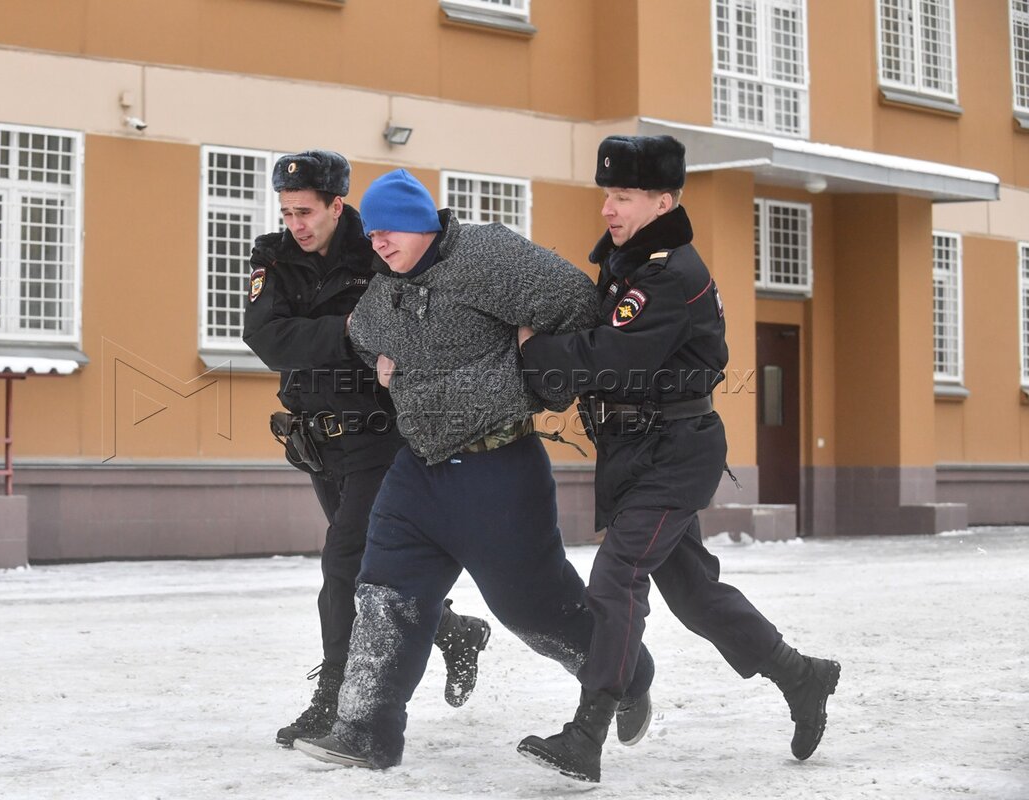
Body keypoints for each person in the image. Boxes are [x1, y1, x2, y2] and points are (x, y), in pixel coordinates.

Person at [291, 168, 655, 771]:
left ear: (422, 222)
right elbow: (361, 332)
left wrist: (532, 346)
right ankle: (366, 731)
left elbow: (578, 302)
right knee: (383, 593)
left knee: (532, 608)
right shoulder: (389, 287)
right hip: (419, 468)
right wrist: (382, 358)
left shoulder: (487, 254)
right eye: (373, 233)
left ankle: (627, 672)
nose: (379, 243)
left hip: (498, 467)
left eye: (390, 230)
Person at [515, 135, 841, 783]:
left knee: (616, 578)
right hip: (639, 451)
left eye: (625, 197)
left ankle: (587, 734)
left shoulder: (670, 273)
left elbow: (616, 357)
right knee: (696, 596)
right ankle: (803, 677)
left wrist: (534, 346)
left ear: (664, 200)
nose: (609, 208)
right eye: (607, 194)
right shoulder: (631, 266)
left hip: (674, 453)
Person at [242, 151, 491, 749]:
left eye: (305, 212)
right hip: (319, 440)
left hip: (380, 437)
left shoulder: (377, 250)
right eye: (287, 212)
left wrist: (360, 335)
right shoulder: (271, 256)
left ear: (336, 204)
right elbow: (267, 338)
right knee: (369, 572)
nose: (295, 224)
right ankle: (454, 630)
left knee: (344, 563)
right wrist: (354, 331)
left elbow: (409, 326)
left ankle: (334, 700)